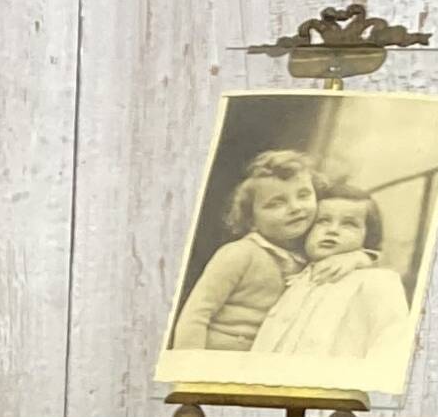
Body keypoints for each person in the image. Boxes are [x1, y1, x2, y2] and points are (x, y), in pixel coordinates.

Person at [246, 186, 413, 384]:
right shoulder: (294, 278)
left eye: (349, 224)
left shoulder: (377, 281)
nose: (332, 230)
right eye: (322, 221)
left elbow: (390, 350)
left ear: (367, 238)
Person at [170, 150, 318, 354]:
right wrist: (190, 371)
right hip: (218, 361)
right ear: (250, 220)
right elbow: (196, 315)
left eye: (304, 195)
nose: (295, 208)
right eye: (276, 203)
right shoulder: (240, 254)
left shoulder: (311, 255)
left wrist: (359, 256)